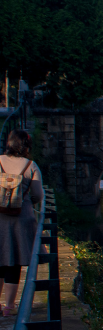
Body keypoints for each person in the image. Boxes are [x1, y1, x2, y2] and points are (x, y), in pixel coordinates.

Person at [0, 130, 44, 317]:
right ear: (26, 146)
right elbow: (38, 195)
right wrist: (25, 202)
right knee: (14, 263)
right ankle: (9, 306)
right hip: (21, 220)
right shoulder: (30, 166)